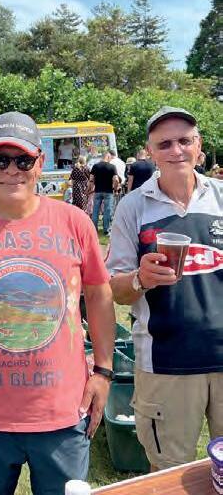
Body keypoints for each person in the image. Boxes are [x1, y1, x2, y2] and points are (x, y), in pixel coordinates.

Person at [0, 111, 115, 495]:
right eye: (1, 160)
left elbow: (99, 295)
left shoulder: (75, 223)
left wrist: (103, 371)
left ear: (40, 161)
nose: (12, 170)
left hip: (62, 413)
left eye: (23, 160)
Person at [106, 106, 223, 471]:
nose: (176, 150)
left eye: (185, 141)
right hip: (165, 363)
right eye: (165, 144)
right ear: (151, 152)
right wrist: (140, 279)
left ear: (199, 146)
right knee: (170, 472)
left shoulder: (220, 197)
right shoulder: (132, 207)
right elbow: (115, 289)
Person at [90, 151, 119, 235]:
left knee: (95, 210)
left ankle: (94, 229)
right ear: (108, 157)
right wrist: (115, 188)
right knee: (107, 211)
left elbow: (91, 179)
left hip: (97, 191)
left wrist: (90, 189)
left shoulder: (95, 166)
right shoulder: (112, 167)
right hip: (108, 191)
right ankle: (106, 230)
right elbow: (116, 180)